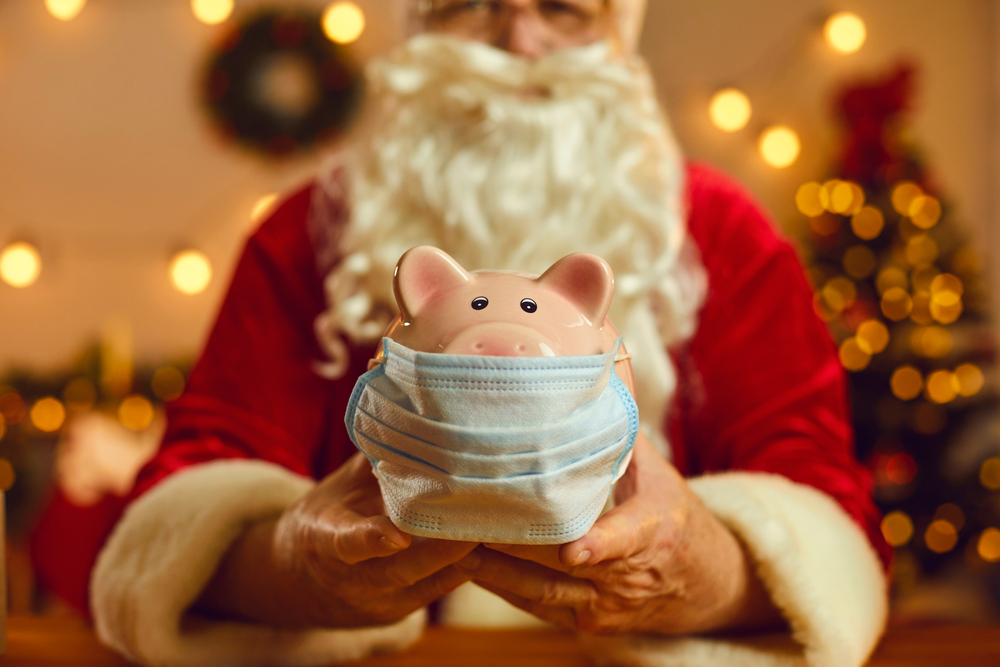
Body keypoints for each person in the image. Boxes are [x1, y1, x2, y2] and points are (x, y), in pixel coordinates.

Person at [32, 1, 892, 666]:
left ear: (618, 35)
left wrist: (699, 569)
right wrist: (298, 565)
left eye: (562, 6)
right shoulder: (307, 233)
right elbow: (183, 502)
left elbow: (827, 514)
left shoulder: (719, 233)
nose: (517, 43)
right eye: (471, 0)